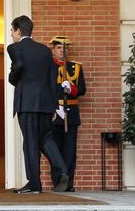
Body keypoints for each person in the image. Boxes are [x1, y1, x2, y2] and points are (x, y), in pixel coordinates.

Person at [7, 15, 69, 194]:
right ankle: (62, 169)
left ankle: (34, 184)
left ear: (19, 30)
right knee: (46, 138)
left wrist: (12, 80)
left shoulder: (14, 48)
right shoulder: (44, 51)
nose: (12, 35)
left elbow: (17, 67)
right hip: (45, 103)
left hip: (26, 103)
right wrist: (54, 105)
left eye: (12, 31)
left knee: (30, 143)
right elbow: (52, 78)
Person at [49, 36, 86, 192]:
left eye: (64, 48)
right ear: (53, 49)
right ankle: (58, 182)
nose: (62, 51)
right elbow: (45, 89)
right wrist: (54, 107)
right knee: (55, 149)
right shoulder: (48, 67)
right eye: (59, 48)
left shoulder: (75, 68)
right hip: (55, 113)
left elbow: (82, 90)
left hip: (70, 113)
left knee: (70, 151)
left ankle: (69, 184)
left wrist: (70, 88)